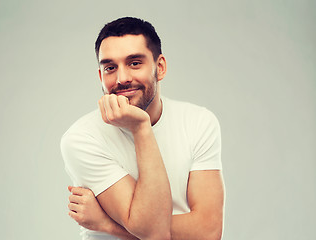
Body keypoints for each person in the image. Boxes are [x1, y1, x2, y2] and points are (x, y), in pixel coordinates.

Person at [61, 17, 225, 240]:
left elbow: (208, 231)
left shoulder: (198, 122)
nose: (122, 78)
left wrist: (107, 224)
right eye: (110, 68)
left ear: (160, 67)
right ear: (101, 76)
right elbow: (153, 231)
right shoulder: (81, 138)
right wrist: (141, 128)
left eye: (134, 63)